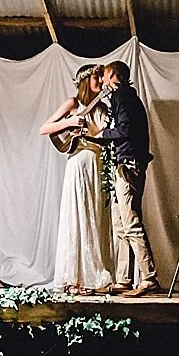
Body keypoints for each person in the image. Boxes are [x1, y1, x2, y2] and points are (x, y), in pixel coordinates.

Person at [39, 64, 114, 295]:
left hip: (97, 162)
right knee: (77, 216)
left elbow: (105, 134)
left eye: (102, 79)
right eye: (96, 78)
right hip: (78, 163)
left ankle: (93, 276)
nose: (100, 82)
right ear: (85, 80)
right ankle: (74, 279)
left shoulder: (102, 106)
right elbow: (44, 128)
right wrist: (70, 123)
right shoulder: (73, 103)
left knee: (94, 218)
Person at [95, 60, 160, 297]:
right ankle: (123, 279)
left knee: (130, 223)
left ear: (112, 75)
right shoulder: (123, 97)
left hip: (128, 164)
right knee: (120, 225)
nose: (101, 81)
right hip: (124, 164)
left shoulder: (123, 96)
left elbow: (125, 130)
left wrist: (102, 134)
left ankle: (149, 278)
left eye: (104, 76)